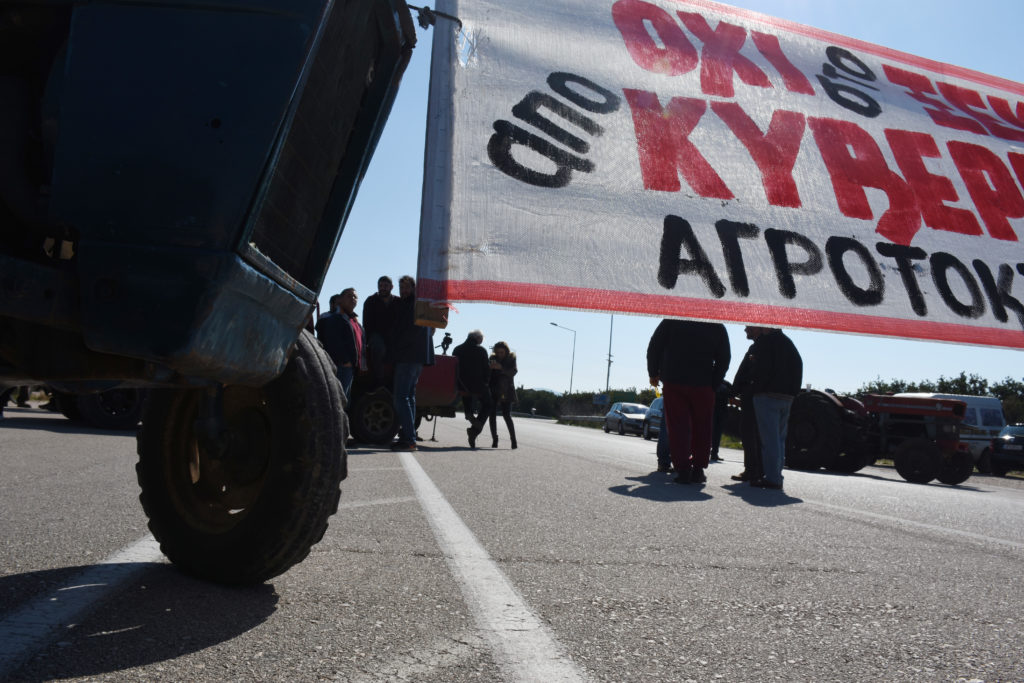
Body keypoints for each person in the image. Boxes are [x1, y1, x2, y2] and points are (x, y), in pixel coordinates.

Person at [646, 318, 731, 485]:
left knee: (677, 427)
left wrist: (653, 372)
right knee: (703, 427)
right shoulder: (716, 325)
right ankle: (698, 469)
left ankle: (683, 469)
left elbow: (654, 346)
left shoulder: (672, 320)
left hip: (674, 380)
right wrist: (714, 382)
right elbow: (725, 357)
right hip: (703, 383)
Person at [740, 326, 803, 491]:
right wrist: (793, 392)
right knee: (779, 439)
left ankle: (772, 478)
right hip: (787, 397)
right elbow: (798, 365)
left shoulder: (765, 343)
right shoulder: (788, 343)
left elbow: (760, 369)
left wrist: (756, 389)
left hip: (767, 396)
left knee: (768, 440)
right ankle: (776, 475)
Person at [389, 275, 434, 451]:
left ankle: (408, 439)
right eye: (401, 288)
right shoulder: (419, 304)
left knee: (401, 397)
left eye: (406, 287)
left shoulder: (412, 305)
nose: (403, 291)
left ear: (414, 288)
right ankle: (410, 437)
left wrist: (395, 346)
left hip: (408, 356)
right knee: (409, 397)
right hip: (417, 357)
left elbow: (410, 332)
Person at [315, 288, 365, 400]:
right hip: (341, 366)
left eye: (355, 297)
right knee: (337, 400)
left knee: (344, 401)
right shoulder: (335, 319)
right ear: (341, 300)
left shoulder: (354, 321)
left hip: (351, 368)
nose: (352, 298)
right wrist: (345, 361)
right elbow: (334, 342)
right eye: (349, 296)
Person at [730, 333, 763, 483]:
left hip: (753, 397)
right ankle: (759, 470)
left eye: (749, 325)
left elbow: (746, 372)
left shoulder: (758, 347)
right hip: (756, 396)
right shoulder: (758, 346)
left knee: (749, 434)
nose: (745, 329)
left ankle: (752, 470)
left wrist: (734, 390)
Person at [452, 330, 492, 449]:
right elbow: (486, 369)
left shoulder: (457, 349)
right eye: (482, 338)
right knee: (488, 404)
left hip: (460, 384)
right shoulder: (481, 350)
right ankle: (475, 429)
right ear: (477, 338)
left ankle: (469, 413)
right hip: (477, 385)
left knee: (466, 394)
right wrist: (486, 382)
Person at [362, 276, 397, 387]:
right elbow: (367, 323)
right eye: (381, 286)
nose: (383, 288)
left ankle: (396, 380)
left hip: (393, 336)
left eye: (386, 286)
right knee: (378, 347)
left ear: (391, 287)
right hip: (375, 334)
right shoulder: (370, 301)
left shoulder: (398, 302)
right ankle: (379, 378)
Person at [487, 341, 518, 449]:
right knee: (492, 415)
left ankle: (513, 440)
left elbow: (513, 372)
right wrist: (490, 368)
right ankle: (495, 440)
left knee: (507, 415)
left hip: (506, 390)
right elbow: (487, 373)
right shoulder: (492, 358)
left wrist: (501, 368)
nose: (500, 354)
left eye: (502, 352)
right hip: (493, 389)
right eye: (498, 352)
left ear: (506, 351)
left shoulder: (511, 358)